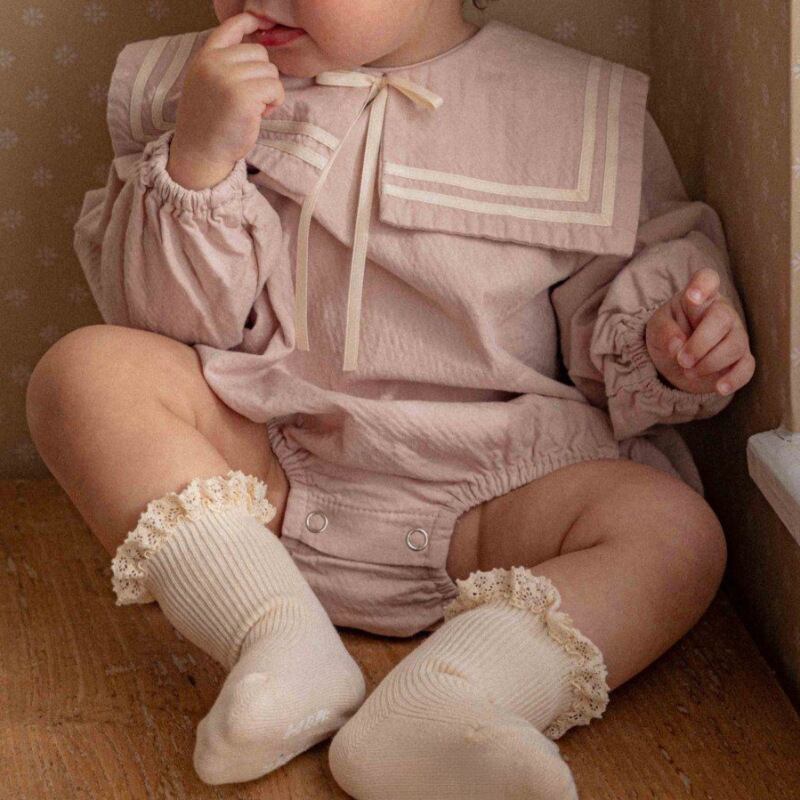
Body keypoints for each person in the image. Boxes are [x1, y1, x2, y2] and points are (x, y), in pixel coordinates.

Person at [26, 1, 755, 797]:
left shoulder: (572, 109)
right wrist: (199, 156)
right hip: (271, 476)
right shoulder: (202, 88)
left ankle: (457, 700)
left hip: (495, 502)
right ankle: (272, 634)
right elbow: (164, 326)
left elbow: (613, 333)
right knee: (85, 374)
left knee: (677, 531)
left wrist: (670, 345)